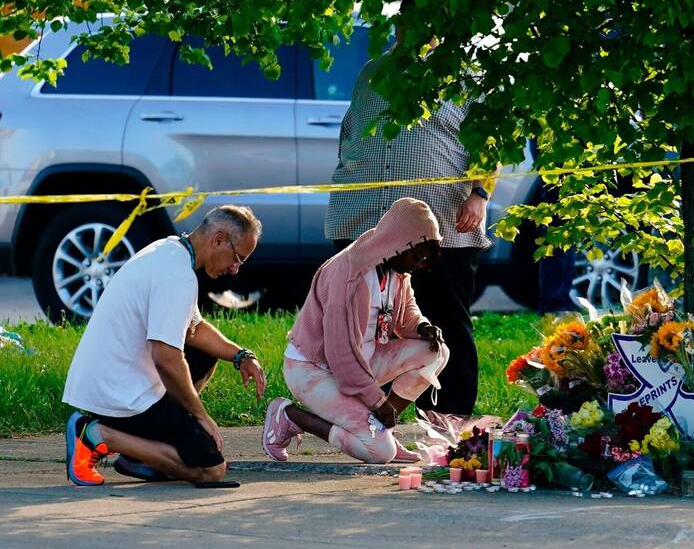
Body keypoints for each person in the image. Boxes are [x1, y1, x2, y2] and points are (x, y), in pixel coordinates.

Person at [324, 10, 488, 415]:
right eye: (404, 23)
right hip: (366, 218)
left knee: (443, 318)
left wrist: (480, 193)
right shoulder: (373, 72)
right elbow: (350, 132)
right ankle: (356, 410)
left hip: (442, 222)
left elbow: (489, 141)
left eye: (420, 23)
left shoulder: (464, 76)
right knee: (360, 320)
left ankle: (450, 416)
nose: (408, 31)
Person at [62, 206, 267, 486]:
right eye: (238, 258)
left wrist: (242, 356)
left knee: (206, 355)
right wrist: (201, 417)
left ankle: (140, 452)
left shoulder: (169, 251)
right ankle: (97, 435)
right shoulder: (177, 276)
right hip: (120, 399)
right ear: (218, 240)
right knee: (211, 470)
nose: (235, 269)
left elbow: (194, 330)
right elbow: (166, 359)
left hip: (111, 386)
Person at [263, 198, 449, 464]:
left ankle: (379, 428)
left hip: (360, 363)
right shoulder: (351, 274)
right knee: (380, 453)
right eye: (417, 256)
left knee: (436, 351)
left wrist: (422, 326)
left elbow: (407, 311)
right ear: (399, 242)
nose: (419, 265)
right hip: (315, 370)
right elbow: (340, 355)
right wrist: (377, 402)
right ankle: (291, 416)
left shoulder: (396, 268)